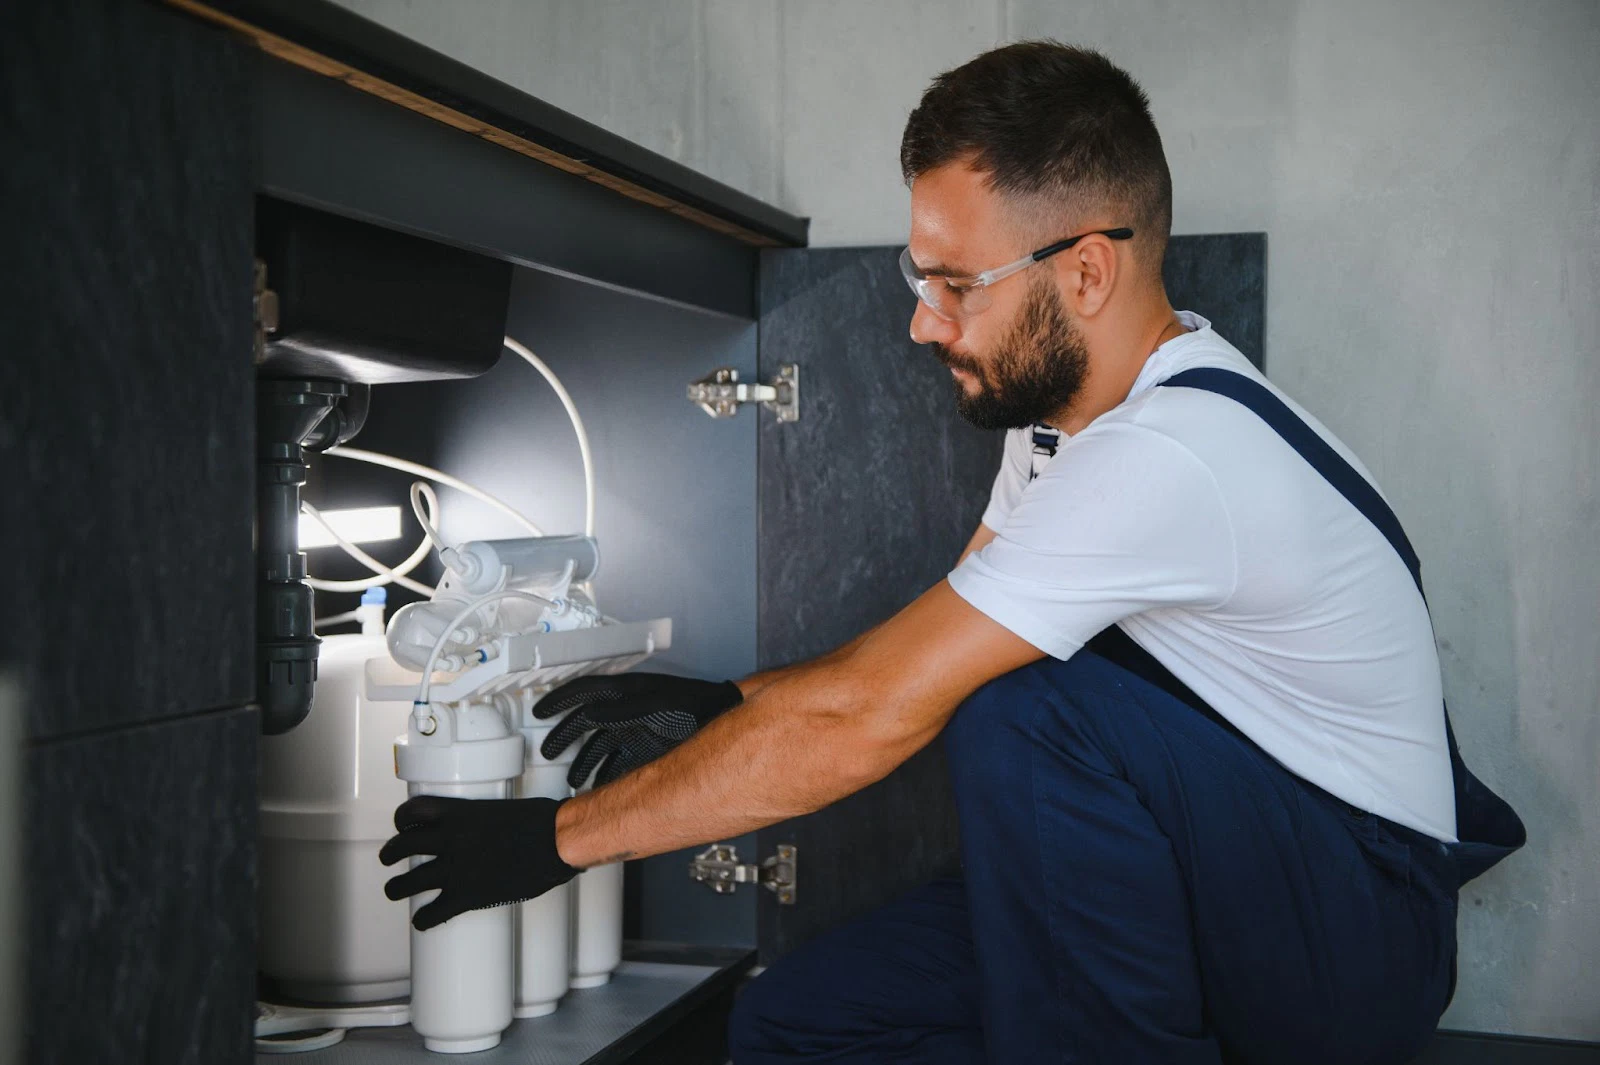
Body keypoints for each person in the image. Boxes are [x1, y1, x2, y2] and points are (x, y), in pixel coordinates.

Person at [379, 41, 1522, 1064]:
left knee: (1029, 713)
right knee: (797, 1023)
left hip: (1351, 941)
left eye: (955, 285)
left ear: (1083, 271)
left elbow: (876, 713)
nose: (924, 322)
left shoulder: (1171, 455)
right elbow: (929, 644)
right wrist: (723, 700)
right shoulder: (1061, 424)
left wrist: (553, 841)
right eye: (916, 279)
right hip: (1210, 878)